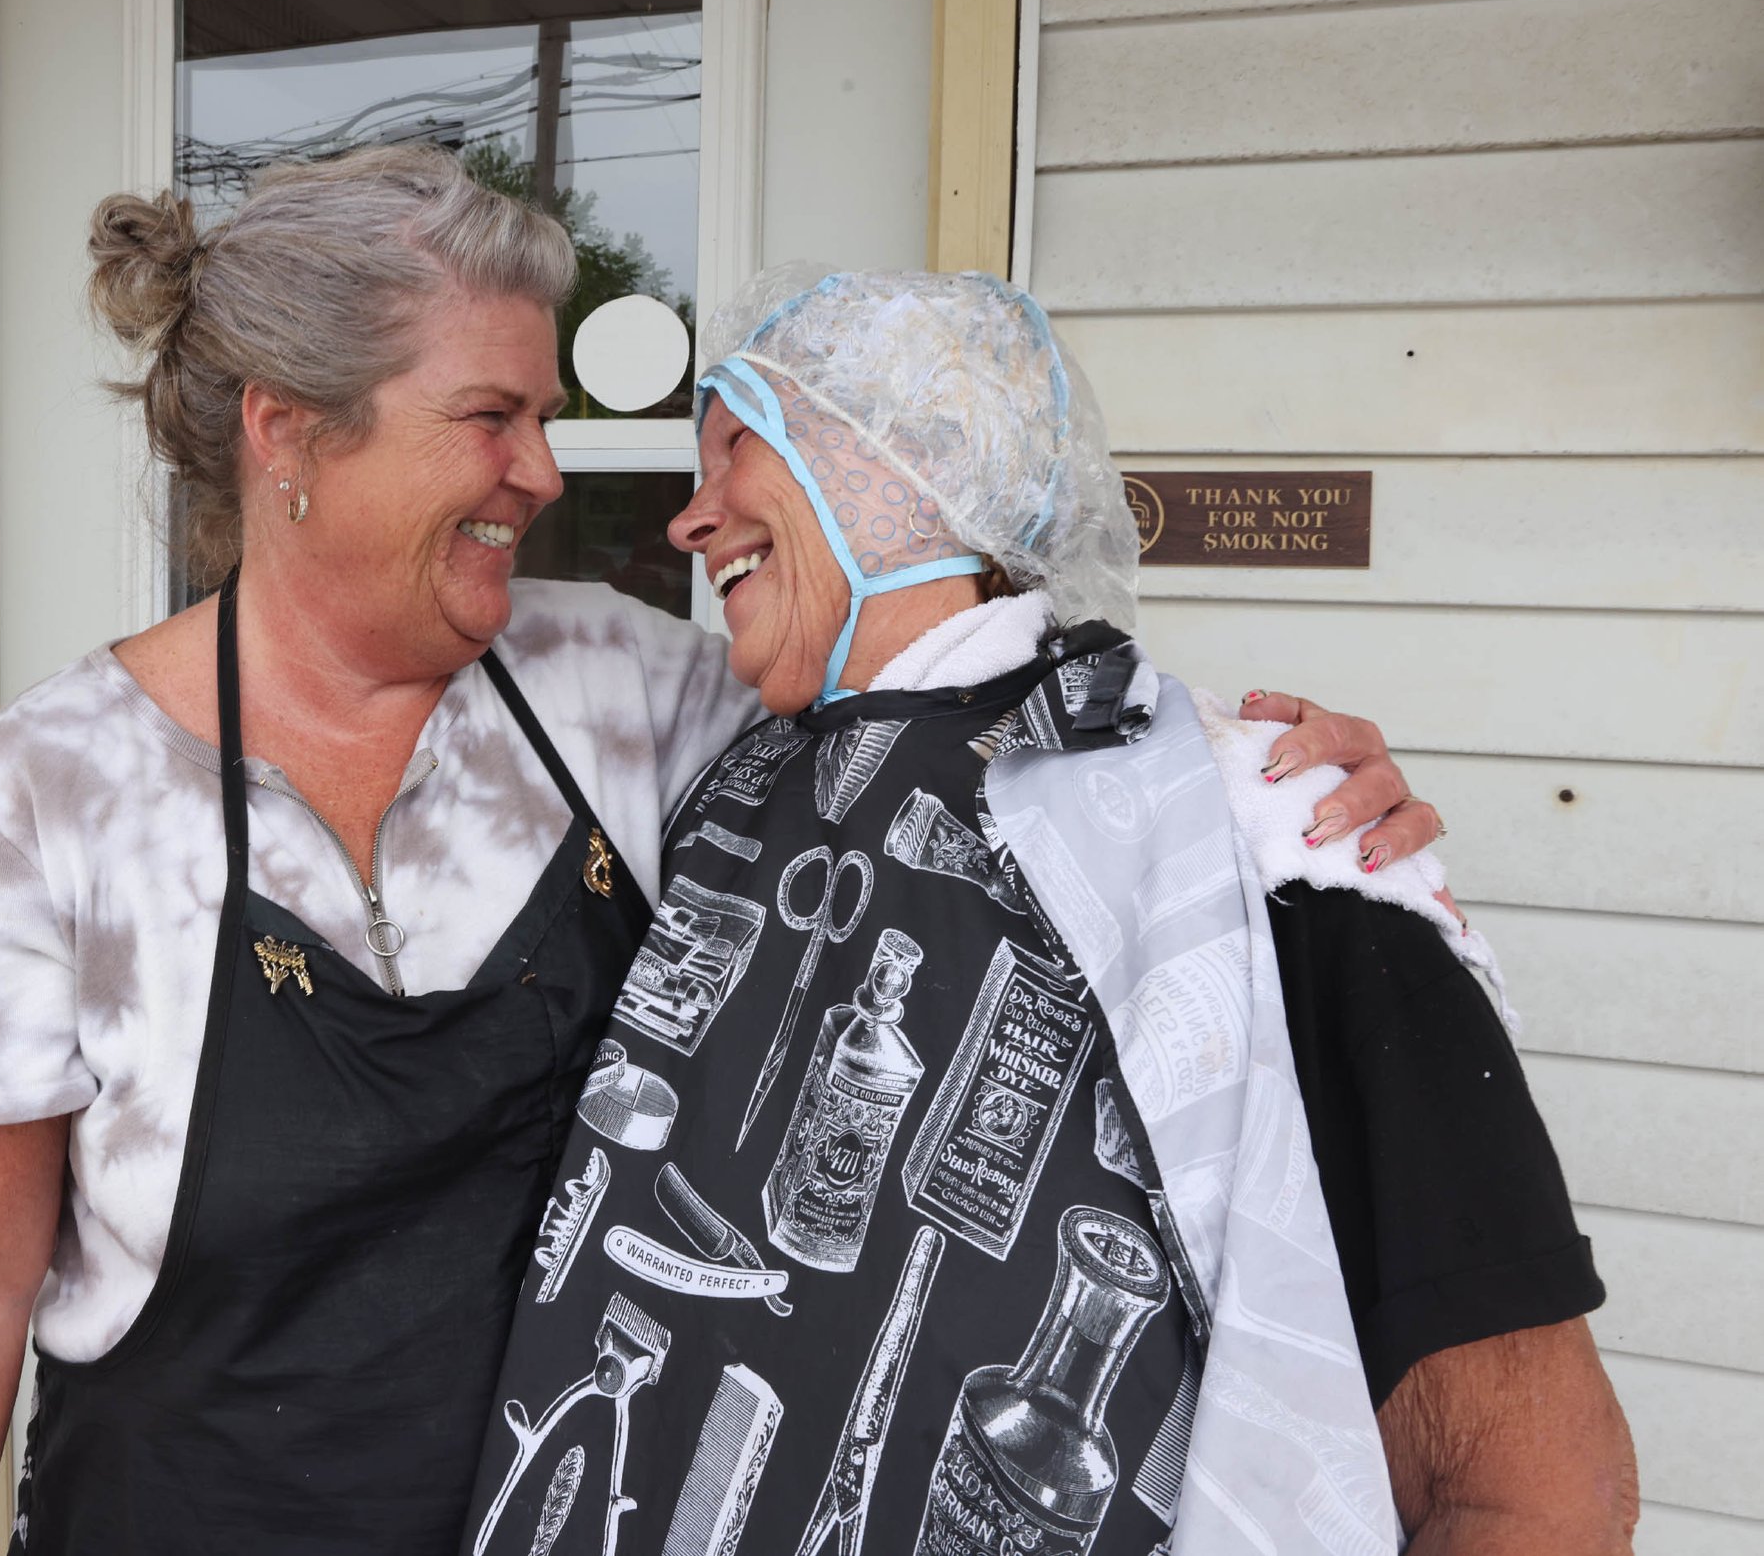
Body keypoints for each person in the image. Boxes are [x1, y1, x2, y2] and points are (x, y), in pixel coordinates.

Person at [0, 147, 1449, 1555]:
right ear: (289, 435)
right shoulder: (51, 791)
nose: (544, 473)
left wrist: (1240, 780)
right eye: (491, 416)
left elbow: (942, 700)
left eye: (544, 417)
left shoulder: (619, 689)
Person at [464, 269, 1633, 1556]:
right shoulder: (724, 791)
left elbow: (1530, 1492)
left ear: (912, 458)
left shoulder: (1253, 835)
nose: (688, 520)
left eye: (740, 445)